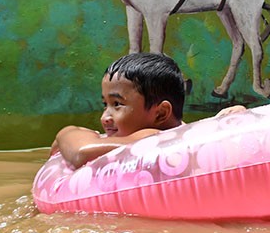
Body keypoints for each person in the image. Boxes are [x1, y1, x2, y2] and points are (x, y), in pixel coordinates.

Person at [50, 52, 185, 169]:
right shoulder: (177, 134)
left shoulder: (153, 135)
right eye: (105, 104)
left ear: (161, 113)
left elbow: (80, 153)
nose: (104, 118)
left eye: (117, 104)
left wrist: (66, 132)